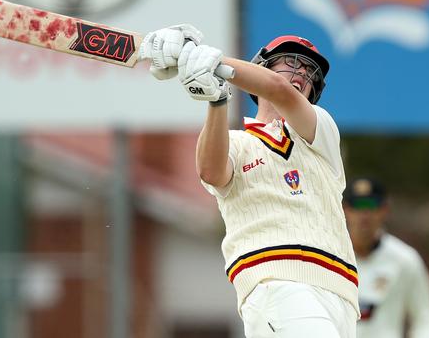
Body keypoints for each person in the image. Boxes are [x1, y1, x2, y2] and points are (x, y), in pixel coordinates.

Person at [139, 25, 360, 337]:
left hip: (342, 296)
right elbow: (211, 172)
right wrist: (216, 99)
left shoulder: (320, 131)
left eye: (310, 72)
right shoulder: (238, 143)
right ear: (261, 68)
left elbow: (278, 90)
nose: (301, 74)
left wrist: (204, 59)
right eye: (291, 62)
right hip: (277, 284)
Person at [343, 177, 429, 338]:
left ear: (384, 210)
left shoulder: (405, 260)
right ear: (345, 209)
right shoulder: (329, 257)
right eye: (357, 206)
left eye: (371, 206)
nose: (364, 215)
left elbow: (426, 318)